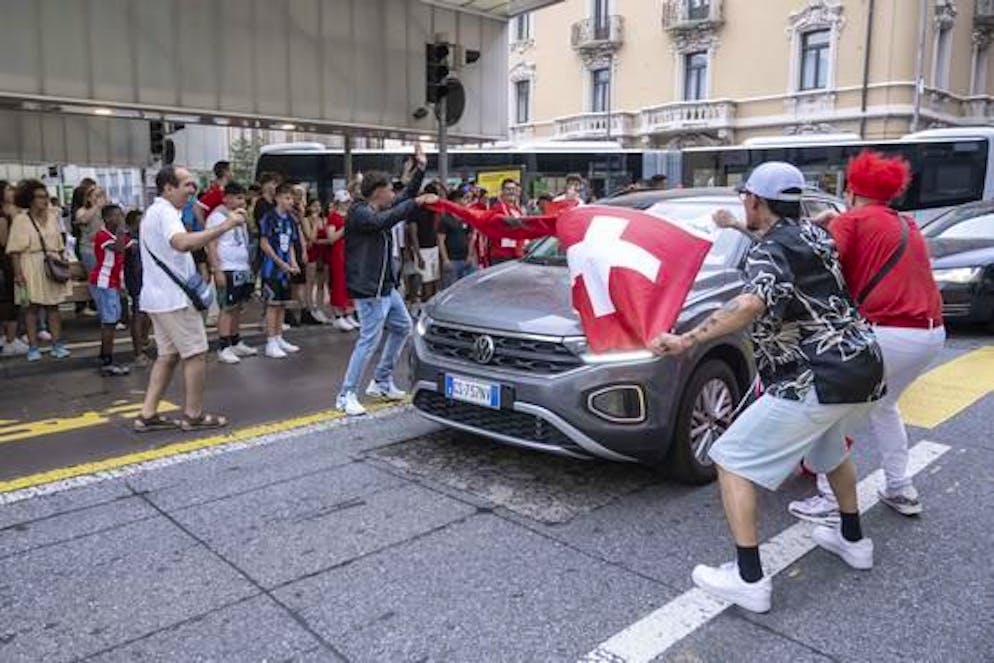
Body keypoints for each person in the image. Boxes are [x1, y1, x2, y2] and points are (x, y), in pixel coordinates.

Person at [650, 162, 885, 614]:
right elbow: (785, 243)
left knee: (730, 458)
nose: (742, 203)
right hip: (861, 365)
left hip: (815, 373)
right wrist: (738, 228)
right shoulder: (814, 236)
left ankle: (749, 579)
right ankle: (854, 540)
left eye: (745, 198)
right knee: (831, 447)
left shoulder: (767, 253)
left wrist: (687, 339)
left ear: (756, 200)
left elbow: (752, 301)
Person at [786, 151, 946, 522]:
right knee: (885, 407)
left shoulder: (852, 220)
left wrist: (822, 227)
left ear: (853, 191)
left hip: (886, 333)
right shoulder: (906, 224)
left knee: (834, 414)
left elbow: (818, 272)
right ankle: (900, 487)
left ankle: (828, 498)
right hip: (931, 333)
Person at [135, 165, 246, 433]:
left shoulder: (155, 212)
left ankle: (148, 414)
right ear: (168, 188)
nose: (192, 189)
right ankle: (193, 415)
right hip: (174, 300)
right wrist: (226, 225)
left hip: (157, 298)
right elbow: (182, 243)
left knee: (168, 356)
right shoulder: (167, 213)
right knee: (195, 354)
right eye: (186, 184)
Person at [336, 145, 439, 416]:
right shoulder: (360, 212)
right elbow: (388, 217)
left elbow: (404, 197)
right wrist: (414, 203)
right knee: (368, 340)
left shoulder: (375, 207)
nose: (393, 193)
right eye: (389, 190)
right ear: (378, 192)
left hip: (385, 286)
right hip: (368, 288)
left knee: (403, 326)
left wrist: (421, 168)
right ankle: (346, 394)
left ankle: (381, 382)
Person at [6, 179, 72, 362]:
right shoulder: (21, 219)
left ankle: (57, 344)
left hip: (51, 264)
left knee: (54, 306)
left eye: (46, 197)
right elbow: (15, 251)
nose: (45, 200)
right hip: (30, 264)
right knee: (31, 308)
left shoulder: (52, 217)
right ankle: (33, 347)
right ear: (30, 199)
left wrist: (63, 259)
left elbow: (59, 244)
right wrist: (18, 274)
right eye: (40, 197)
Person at [206, 182, 258, 365]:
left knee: (237, 306)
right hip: (226, 267)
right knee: (227, 307)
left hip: (241, 266)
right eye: (237, 198)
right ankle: (223, 346)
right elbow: (211, 244)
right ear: (226, 198)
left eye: (243, 198)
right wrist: (216, 269)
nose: (241, 202)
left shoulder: (240, 217)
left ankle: (235, 340)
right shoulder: (216, 217)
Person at [258, 183, 302, 358]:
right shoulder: (268, 218)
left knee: (282, 303)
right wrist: (278, 262)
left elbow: (290, 244)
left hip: (285, 269)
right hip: (271, 269)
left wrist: (293, 262)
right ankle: (270, 341)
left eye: (291, 198)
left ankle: (279, 337)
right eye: (287, 197)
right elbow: (264, 243)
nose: (290, 201)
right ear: (277, 198)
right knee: (272, 304)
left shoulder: (290, 220)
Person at [89, 204, 133, 376]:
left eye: (121, 214)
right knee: (110, 322)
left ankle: (104, 356)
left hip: (112, 282)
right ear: (107, 219)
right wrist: (123, 230)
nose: (120, 217)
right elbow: (120, 248)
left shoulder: (115, 235)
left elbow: (132, 246)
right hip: (103, 282)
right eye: (116, 215)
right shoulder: (103, 236)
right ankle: (107, 360)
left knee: (111, 320)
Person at [406, 181, 444, 306]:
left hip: (434, 247)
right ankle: (422, 306)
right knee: (426, 282)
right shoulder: (416, 211)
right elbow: (413, 235)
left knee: (435, 281)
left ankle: (431, 306)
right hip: (422, 249)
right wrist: (418, 255)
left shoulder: (435, 210)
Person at [0, 180, 26, 356]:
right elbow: (4, 241)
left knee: (14, 300)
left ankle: (10, 337)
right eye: (9, 189)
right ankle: (9, 339)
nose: (12, 191)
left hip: (12, 261)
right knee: (9, 300)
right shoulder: (3, 215)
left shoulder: (15, 211)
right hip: (6, 263)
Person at [123, 209, 152, 367]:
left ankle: (144, 340)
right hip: (137, 282)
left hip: (148, 281)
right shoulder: (130, 242)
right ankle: (138, 352)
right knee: (138, 315)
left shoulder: (146, 238)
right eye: (139, 221)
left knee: (147, 315)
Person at [327, 191, 357, 331]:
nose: (347, 204)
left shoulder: (351, 216)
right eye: (345, 202)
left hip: (351, 251)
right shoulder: (333, 217)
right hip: (338, 253)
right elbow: (331, 237)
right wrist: (345, 228)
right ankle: (338, 315)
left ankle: (349, 313)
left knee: (351, 284)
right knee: (339, 283)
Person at [438, 188, 476, 289]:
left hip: (465, 259)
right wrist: (445, 259)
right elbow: (440, 241)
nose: (468, 202)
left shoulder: (467, 217)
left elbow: (471, 237)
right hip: (452, 260)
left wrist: (470, 255)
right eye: (466, 198)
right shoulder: (446, 218)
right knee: (451, 288)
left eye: (470, 199)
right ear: (457, 200)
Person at [488, 179, 525, 265]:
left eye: (513, 189)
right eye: (508, 189)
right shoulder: (497, 208)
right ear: (502, 191)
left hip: (517, 253)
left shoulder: (518, 210)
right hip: (502, 255)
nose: (511, 192)